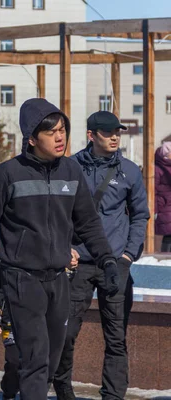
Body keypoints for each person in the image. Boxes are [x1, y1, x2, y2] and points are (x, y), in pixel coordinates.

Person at [0, 98, 119, 400]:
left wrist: (107, 260)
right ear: (31, 138)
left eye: (63, 130)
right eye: (51, 132)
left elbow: (88, 222)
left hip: (59, 278)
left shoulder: (71, 172)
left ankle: (16, 380)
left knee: (53, 357)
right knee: (37, 358)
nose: (60, 137)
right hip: (22, 278)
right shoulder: (8, 173)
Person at [54, 111, 149, 400]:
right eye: (108, 133)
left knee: (116, 337)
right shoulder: (68, 168)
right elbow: (55, 213)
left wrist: (128, 256)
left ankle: (113, 396)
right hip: (77, 263)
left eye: (117, 132)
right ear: (91, 135)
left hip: (116, 265)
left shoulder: (130, 171)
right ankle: (63, 389)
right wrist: (62, 249)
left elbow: (140, 216)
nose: (115, 137)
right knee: (65, 334)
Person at [0, 249, 80, 400]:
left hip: (42, 320)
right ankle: (9, 392)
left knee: (44, 363)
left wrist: (69, 267)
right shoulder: (7, 259)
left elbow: (62, 281)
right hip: (13, 324)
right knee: (14, 362)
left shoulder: (47, 252)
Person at [155, 142, 171, 252]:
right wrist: (155, 209)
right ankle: (165, 257)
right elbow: (152, 190)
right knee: (168, 235)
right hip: (164, 208)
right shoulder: (157, 169)